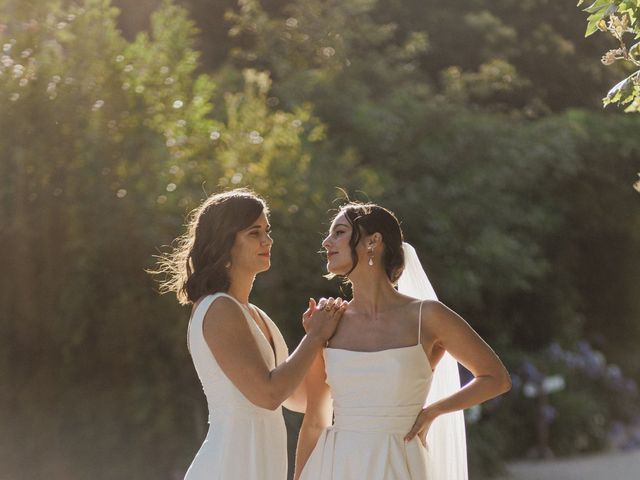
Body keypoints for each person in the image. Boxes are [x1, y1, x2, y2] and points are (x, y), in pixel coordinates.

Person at [295, 202, 512, 480]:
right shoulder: (328, 322)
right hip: (336, 466)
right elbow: (314, 421)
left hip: (401, 463)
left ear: (373, 242)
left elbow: (496, 378)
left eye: (339, 232)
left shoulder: (427, 316)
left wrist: (434, 411)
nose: (326, 242)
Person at [152, 188, 346, 480]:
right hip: (229, 466)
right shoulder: (218, 308)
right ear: (225, 242)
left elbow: (299, 398)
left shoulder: (256, 315)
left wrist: (329, 344)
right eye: (254, 233)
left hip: (261, 466)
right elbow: (268, 394)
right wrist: (314, 337)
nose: (268, 240)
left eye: (267, 231)